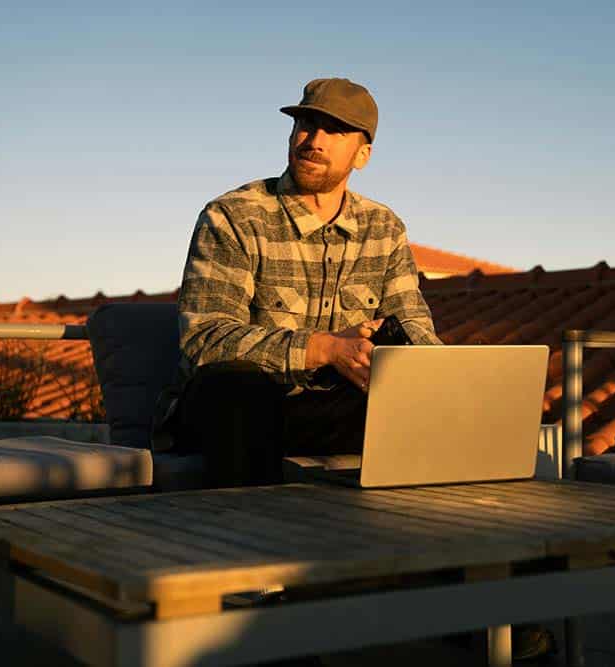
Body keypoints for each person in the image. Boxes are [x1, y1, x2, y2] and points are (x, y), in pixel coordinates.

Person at [157, 78, 442, 487]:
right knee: (236, 386)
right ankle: (254, 541)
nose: (314, 140)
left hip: (329, 410)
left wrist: (400, 350)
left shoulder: (384, 228)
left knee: (422, 392)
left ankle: (440, 537)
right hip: (234, 413)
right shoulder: (234, 216)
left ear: (363, 155)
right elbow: (206, 340)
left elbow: (417, 328)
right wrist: (326, 348)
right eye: (306, 124)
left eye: (335, 130)